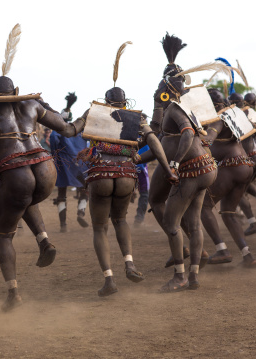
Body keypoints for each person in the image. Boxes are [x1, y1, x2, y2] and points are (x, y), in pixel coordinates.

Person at [0, 24, 87, 311]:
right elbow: (70, 130)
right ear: (16, 91)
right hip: (44, 168)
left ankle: (14, 294)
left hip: (15, 172)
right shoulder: (33, 104)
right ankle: (44, 240)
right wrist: (88, 116)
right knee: (25, 197)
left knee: (4, 233)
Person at [77, 41, 176, 296]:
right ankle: (130, 264)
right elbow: (153, 140)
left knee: (100, 227)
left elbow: (68, 130)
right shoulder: (136, 118)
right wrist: (167, 169)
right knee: (120, 219)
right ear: (124, 102)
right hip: (126, 176)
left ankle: (109, 280)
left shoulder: (94, 112)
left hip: (100, 175)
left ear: (107, 101)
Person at [148, 33, 219, 292]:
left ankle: (180, 276)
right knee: (194, 220)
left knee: (171, 222)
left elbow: (187, 133)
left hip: (191, 169)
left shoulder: (176, 108)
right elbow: (162, 140)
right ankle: (195, 275)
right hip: (206, 168)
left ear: (167, 87)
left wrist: (176, 163)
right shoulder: (185, 104)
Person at [199, 88, 256, 267]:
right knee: (228, 212)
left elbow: (208, 140)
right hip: (246, 167)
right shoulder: (235, 115)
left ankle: (222, 250)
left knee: (203, 206)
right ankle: (248, 255)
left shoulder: (219, 118)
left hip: (232, 167)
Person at [49, 92, 89, 231]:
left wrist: (55, 154)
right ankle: (81, 212)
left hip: (63, 164)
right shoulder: (79, 129)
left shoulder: (58, 130)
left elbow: (53, 140)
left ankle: (63, 225)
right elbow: (89, 142)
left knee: (61, 194)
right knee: (84, 190)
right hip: (81, 163)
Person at [134, 145, 150, 226]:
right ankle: (139, 219)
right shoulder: (146, 138)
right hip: (141, 168)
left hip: (124, 166)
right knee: (145, 194)